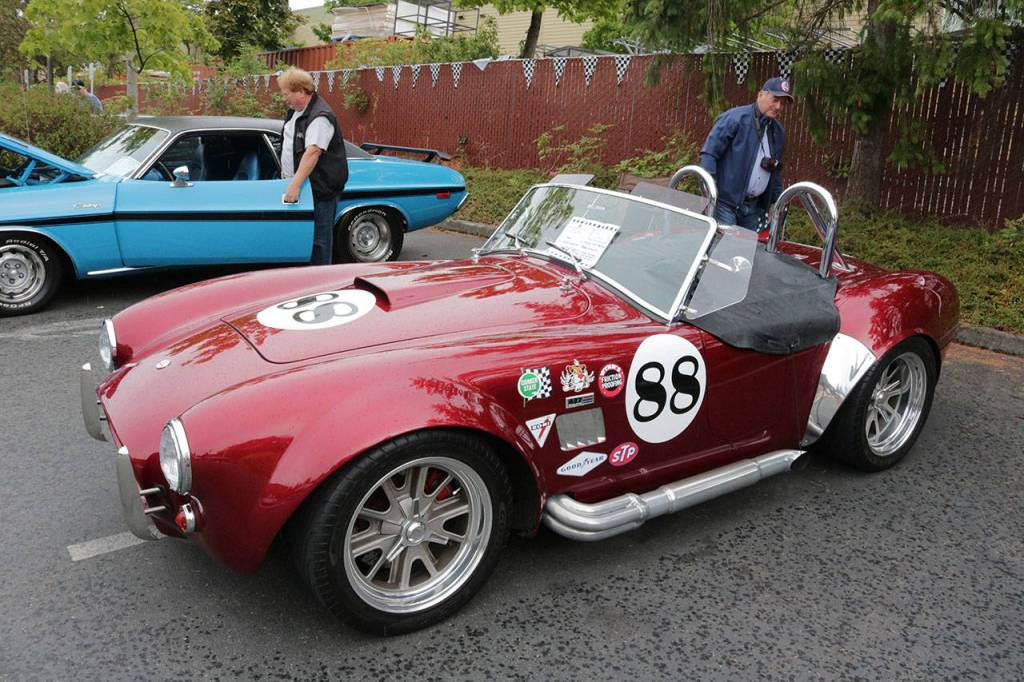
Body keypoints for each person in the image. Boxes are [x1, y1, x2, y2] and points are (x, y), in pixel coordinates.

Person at [699, 77, 793, 231]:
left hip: (754, 209)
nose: (778, 106)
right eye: (775, 100)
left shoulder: (778, 132)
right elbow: (708, 154)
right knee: (722, 252)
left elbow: (775, 170)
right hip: (725, 205)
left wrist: (775, 202)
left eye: (782, 103)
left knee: (746, 254)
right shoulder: (735, 118)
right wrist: (710, 193)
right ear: (760, 94)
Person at [277, 66, 349, 266]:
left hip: (319, 189)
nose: (284, 99)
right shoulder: (296, 112)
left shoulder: (320, 117)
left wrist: (294, 185)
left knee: (319, 241)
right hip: (304, 188)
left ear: (300, 91)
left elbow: (313, 152)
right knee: (304, 239)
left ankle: (320, 280)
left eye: (286, 94)